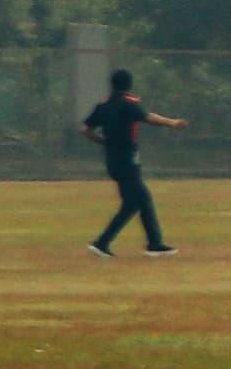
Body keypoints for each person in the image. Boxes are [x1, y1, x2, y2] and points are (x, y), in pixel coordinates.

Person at [78, 70, 185, 259]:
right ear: (129, 84)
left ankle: (154, 243)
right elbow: (149, 118)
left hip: (112, 160)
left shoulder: (103, 105)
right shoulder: (128, 104)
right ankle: (102, 243)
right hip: (127, 160)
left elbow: (86, 130)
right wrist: (172, 123)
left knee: (141, 199)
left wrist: (103, 142)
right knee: (135, 202)